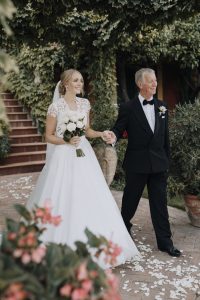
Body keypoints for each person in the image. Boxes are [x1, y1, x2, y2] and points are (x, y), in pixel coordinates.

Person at [26, 69, 139, 267]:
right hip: (63, 154)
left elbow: (87, 130)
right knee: (63, 194)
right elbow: (48, 136)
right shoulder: (55, 107)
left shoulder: (85, 104)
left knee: (90, 194)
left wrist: (102, 134)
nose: (80, 84)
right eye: (76, 80)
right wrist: (66, 140)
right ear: (66, 83)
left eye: (81, 81)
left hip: (83, 154)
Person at [104, 68, 181, 257]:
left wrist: (166, 162)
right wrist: (110, 136)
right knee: (130, 202)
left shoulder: (162, 107)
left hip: (158, 165)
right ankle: (123, 232)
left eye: (155, 80)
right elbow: (118, 130)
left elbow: (165, 139)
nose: (155, 84)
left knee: (160, 204)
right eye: (151, 81)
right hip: (136, 164)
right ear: (140, 84)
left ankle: (165, 242)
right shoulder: (128, 108)